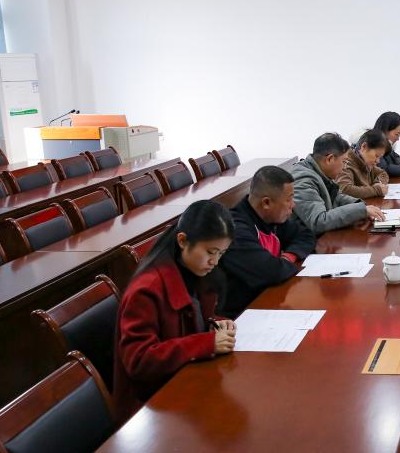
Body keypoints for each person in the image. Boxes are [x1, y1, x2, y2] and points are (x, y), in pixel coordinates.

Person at [115, 200, 236, 419]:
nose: (215, 261)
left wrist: (216, 322)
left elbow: (194, 317)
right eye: (211, 252)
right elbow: (139, 359)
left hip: (187, 381)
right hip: (152, 406)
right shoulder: (147, 290)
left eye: (222, 253)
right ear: (182, 241)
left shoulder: (195, 270)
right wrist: (207, 343)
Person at [219, 165, 315, 317]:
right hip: (242, 315)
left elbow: (306, 235)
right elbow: (271, 271)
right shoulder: (235, 230)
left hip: (269, 299)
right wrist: (283, 264)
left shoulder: (271, 217)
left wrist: (289, 256)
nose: (293, 205)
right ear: (266, 203)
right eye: (289, 199)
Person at [292, 132, 386, 234]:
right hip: (306, 240)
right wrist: (360, 211)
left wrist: (362, 207)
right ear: (330, 159)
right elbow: (318, 221)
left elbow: (336, 197)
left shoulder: (319, 172)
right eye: (344, 162)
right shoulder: (303, 180)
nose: (344, 167)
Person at [339, 129, 391, 199]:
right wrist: (376, 190)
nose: (378, 161)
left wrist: (378, 183)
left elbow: (383, 173)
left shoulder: (366, 163)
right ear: (364, 147)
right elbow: (345, 190)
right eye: (376, 156)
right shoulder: (345, 163)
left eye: (380, 157)